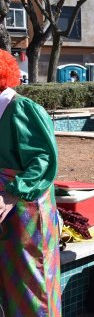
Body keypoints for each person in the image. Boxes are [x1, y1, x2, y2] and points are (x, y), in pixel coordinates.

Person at [0, 49, 61, 316]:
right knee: (12, 280)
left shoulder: (20, 108)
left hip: (25, 208)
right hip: (7, 209)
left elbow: (43, 159)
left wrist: (12, 193)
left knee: (33, 280)